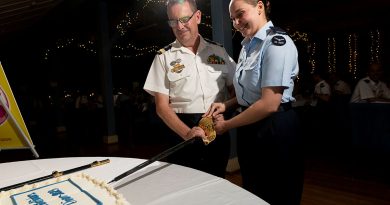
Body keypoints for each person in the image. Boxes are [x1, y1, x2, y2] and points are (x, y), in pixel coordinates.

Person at [204, 0, 304, 204]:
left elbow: (269, 103)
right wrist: (227, 105)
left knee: (278, 192)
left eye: (240, 14)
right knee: (253, 189)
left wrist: (227, 125)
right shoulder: (248, 45)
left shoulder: (277, 43)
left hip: (274, 127)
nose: (236, 23)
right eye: (233, 19)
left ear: (260, 7)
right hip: (250, 125)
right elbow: (250, 94)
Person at [143, 0, 236, 178]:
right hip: (181, 133)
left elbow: (236, 92)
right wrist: (187, 133)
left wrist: (226, 111)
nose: (179, 26)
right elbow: (162, 107)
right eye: (173, 21)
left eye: (185, 18)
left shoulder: (219, 52)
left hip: (217, 132)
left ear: (198, 17)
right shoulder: (163, 57)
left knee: (218, 186)